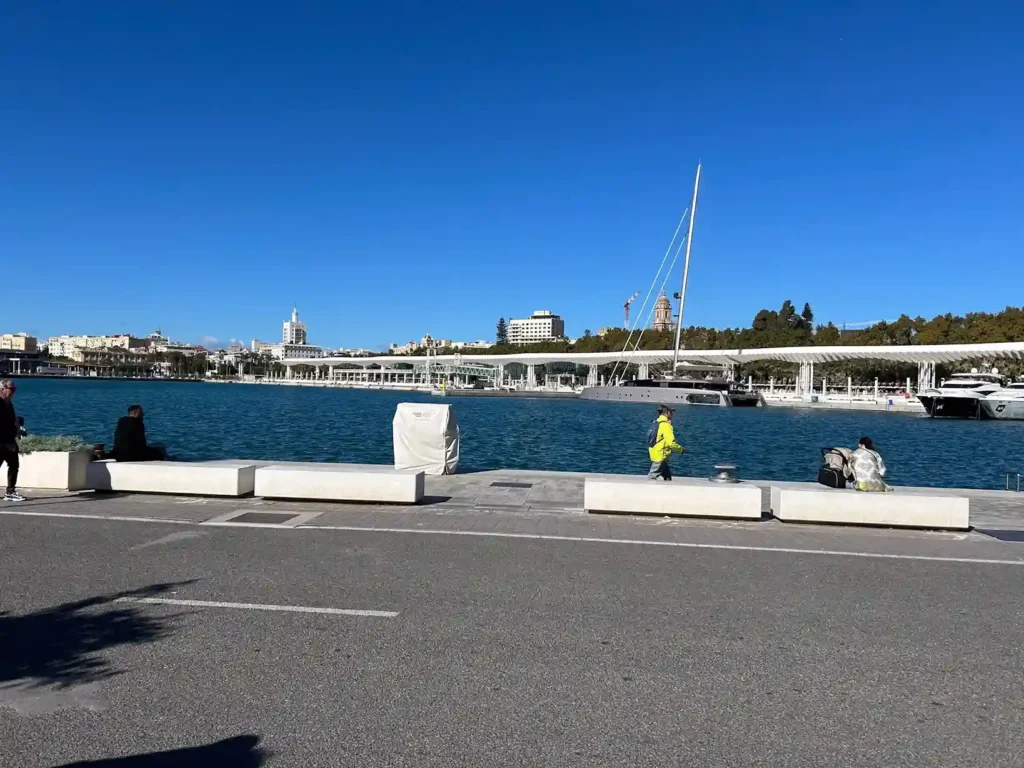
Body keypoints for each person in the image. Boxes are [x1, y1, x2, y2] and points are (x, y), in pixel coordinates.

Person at [0, 379, 25, 501]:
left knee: (14, 466)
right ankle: (10, 491)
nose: (13, 392)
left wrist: (18, 428)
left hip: (9, 441)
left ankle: (10, 492)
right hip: (2, 441)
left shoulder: (9, 403)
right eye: (11, 389)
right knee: (13, 465)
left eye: (14, 389)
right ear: (2, 389)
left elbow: (12, 419)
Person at [647, 404, 685, 480]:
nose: (672, 414)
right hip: (661, 455)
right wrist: (681, 449)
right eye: (671, 412)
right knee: (652, 476)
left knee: (667, 477)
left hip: (655, 452)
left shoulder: (656, 422)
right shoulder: (666, 425)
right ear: (667, 413)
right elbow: (671, 443)